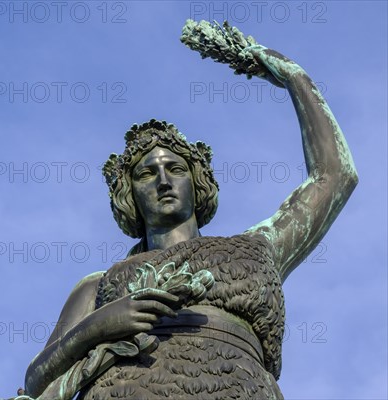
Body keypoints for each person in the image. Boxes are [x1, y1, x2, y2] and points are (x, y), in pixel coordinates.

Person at [23, 46, 358, 399]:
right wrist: (98, 326)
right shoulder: (100, 285)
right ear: (130, 194)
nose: (163, 181)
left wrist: (294, 78)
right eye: (146, 174)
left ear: (197, 183)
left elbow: (334, 176)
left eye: (176, 169)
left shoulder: (256, 248)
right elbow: (36, 379)